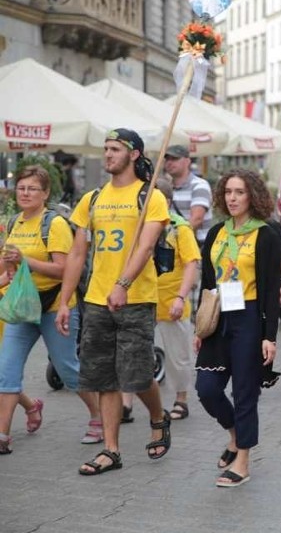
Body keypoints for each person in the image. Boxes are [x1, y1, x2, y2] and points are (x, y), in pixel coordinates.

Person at [56, 128, 171, 475]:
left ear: (134, 154)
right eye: (105, 149)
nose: (107, 155)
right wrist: (65, 301)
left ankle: (158, 415)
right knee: (103, 377)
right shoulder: (91, 199)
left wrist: (122, 284)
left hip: (135, 298)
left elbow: (146, 246)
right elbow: (77, 253)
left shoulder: (150, 196)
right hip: (95, 299)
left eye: (115, 149)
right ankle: (111, 450)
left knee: (135, 376)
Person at [0, 165, 101, 455]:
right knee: (6, 372)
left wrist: (26, 260)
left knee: (68, 371)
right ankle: (3, 435)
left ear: (45, 193)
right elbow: (7, 266)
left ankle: (98, 416)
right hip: (21, 309)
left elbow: (63, 269)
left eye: (33, 188)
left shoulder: (53, 224)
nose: (26, 193)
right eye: (21, 187)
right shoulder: (13, 223)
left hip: (55, 306)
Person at [195, 169, 281, 487]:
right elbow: (206, 281)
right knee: (206, 388)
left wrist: (269, 336)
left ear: (253, 196)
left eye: (239, 192)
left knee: (245, 392)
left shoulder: (266, 235)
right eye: (228, 191)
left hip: (249, 317)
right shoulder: (217, 232)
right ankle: (234, 434)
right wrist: (199, 326)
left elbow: (272, 290)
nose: (232, 198)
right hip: (218, 316)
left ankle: (243, 461)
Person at [153, 177, 200, 421]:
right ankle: (127, 402)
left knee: (177, 355)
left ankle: (181, 399)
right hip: (143, 298)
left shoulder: (180, 228)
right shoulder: (141, 226)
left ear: (168, 201)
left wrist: (181, 297)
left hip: (172, 301)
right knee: (135, 353)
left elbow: (192, 264)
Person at [164, 145, 213, 245]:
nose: (169, 162)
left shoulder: (199, 185)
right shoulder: (167, 188)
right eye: (167, 159)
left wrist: (174, 238)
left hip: (197, 246)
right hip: (174, 246)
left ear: (187, 161)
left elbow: (196, 219)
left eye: (174, 159)